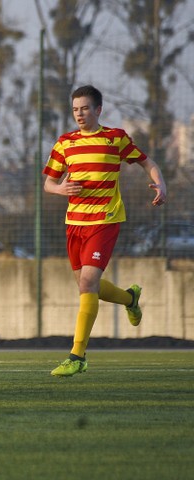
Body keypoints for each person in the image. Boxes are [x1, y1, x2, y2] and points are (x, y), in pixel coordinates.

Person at [43, 85, 167, 377]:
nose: (79, 114)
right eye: (75, 109)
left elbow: (147, 162)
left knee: (88, 283)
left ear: (98, 110)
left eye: (85, 108)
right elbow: (48, 183)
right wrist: (60, 189)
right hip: (74, 224)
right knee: (88, 288)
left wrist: (161, 184)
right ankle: (130, 298)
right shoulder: (65, 143)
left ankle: (77, 355)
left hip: (105, 220)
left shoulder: (115, 138)